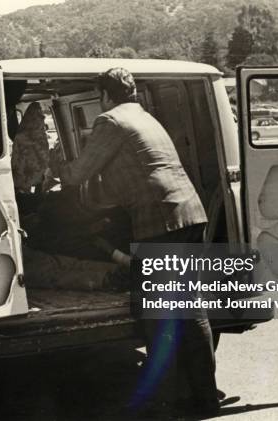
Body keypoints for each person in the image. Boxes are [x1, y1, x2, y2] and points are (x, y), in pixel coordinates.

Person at [53, 67, 218, 416]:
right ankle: (204, 398)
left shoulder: (110, 121)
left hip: (160, 222)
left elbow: (80, 172)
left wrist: (55, 168)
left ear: (104, 95)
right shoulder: (144, 117)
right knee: (191, 311)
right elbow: (135, 172)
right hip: (189, 214)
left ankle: (162, 403)